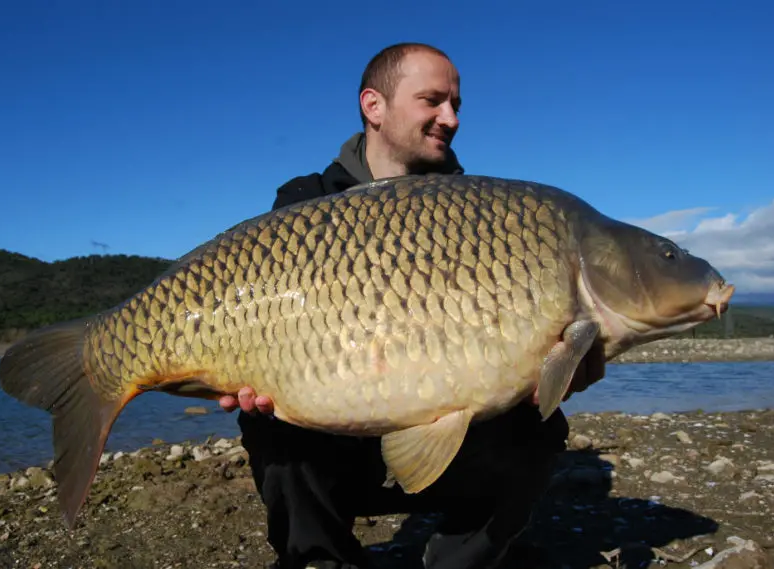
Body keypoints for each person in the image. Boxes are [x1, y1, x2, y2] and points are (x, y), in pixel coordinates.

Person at [219, 42, 573, 569]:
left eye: (456, 105)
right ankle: (320, 557)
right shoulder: (303, 206)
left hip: (452, 446)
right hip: (337, 443)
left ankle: (465, 558)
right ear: (373, 106)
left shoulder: (484, 215)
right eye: (432, 100)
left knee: (541, 424)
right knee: (270, 421)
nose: (450, 118)